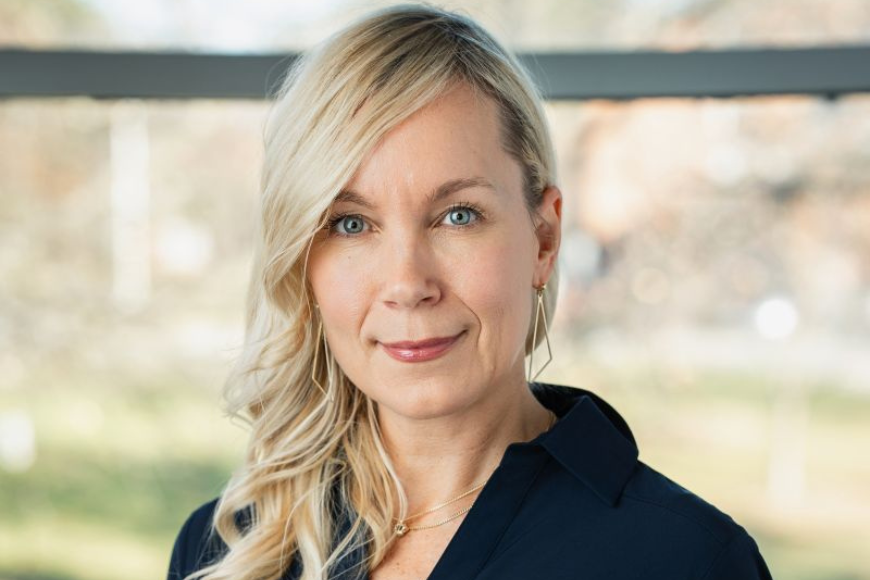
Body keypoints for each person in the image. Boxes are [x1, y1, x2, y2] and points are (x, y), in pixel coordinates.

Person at [167, 4, 773, 580]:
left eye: (457, 215)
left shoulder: (686, 560)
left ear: (543, 238)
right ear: (303, 260)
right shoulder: (226, 550)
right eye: (351, 223)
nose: (407, 284)